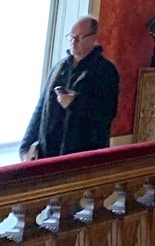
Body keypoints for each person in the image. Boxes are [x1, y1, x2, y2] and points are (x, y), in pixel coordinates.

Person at [20, 16, 120, 160]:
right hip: (47, 156)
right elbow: (41, 108)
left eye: (79, 37)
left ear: (93, 38)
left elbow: (107, 113)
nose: (73, 42)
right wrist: (25, 147)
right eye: (71, 37)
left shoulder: (105, 71)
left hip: (82, 159)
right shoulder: (58, 68)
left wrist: (75, 103)